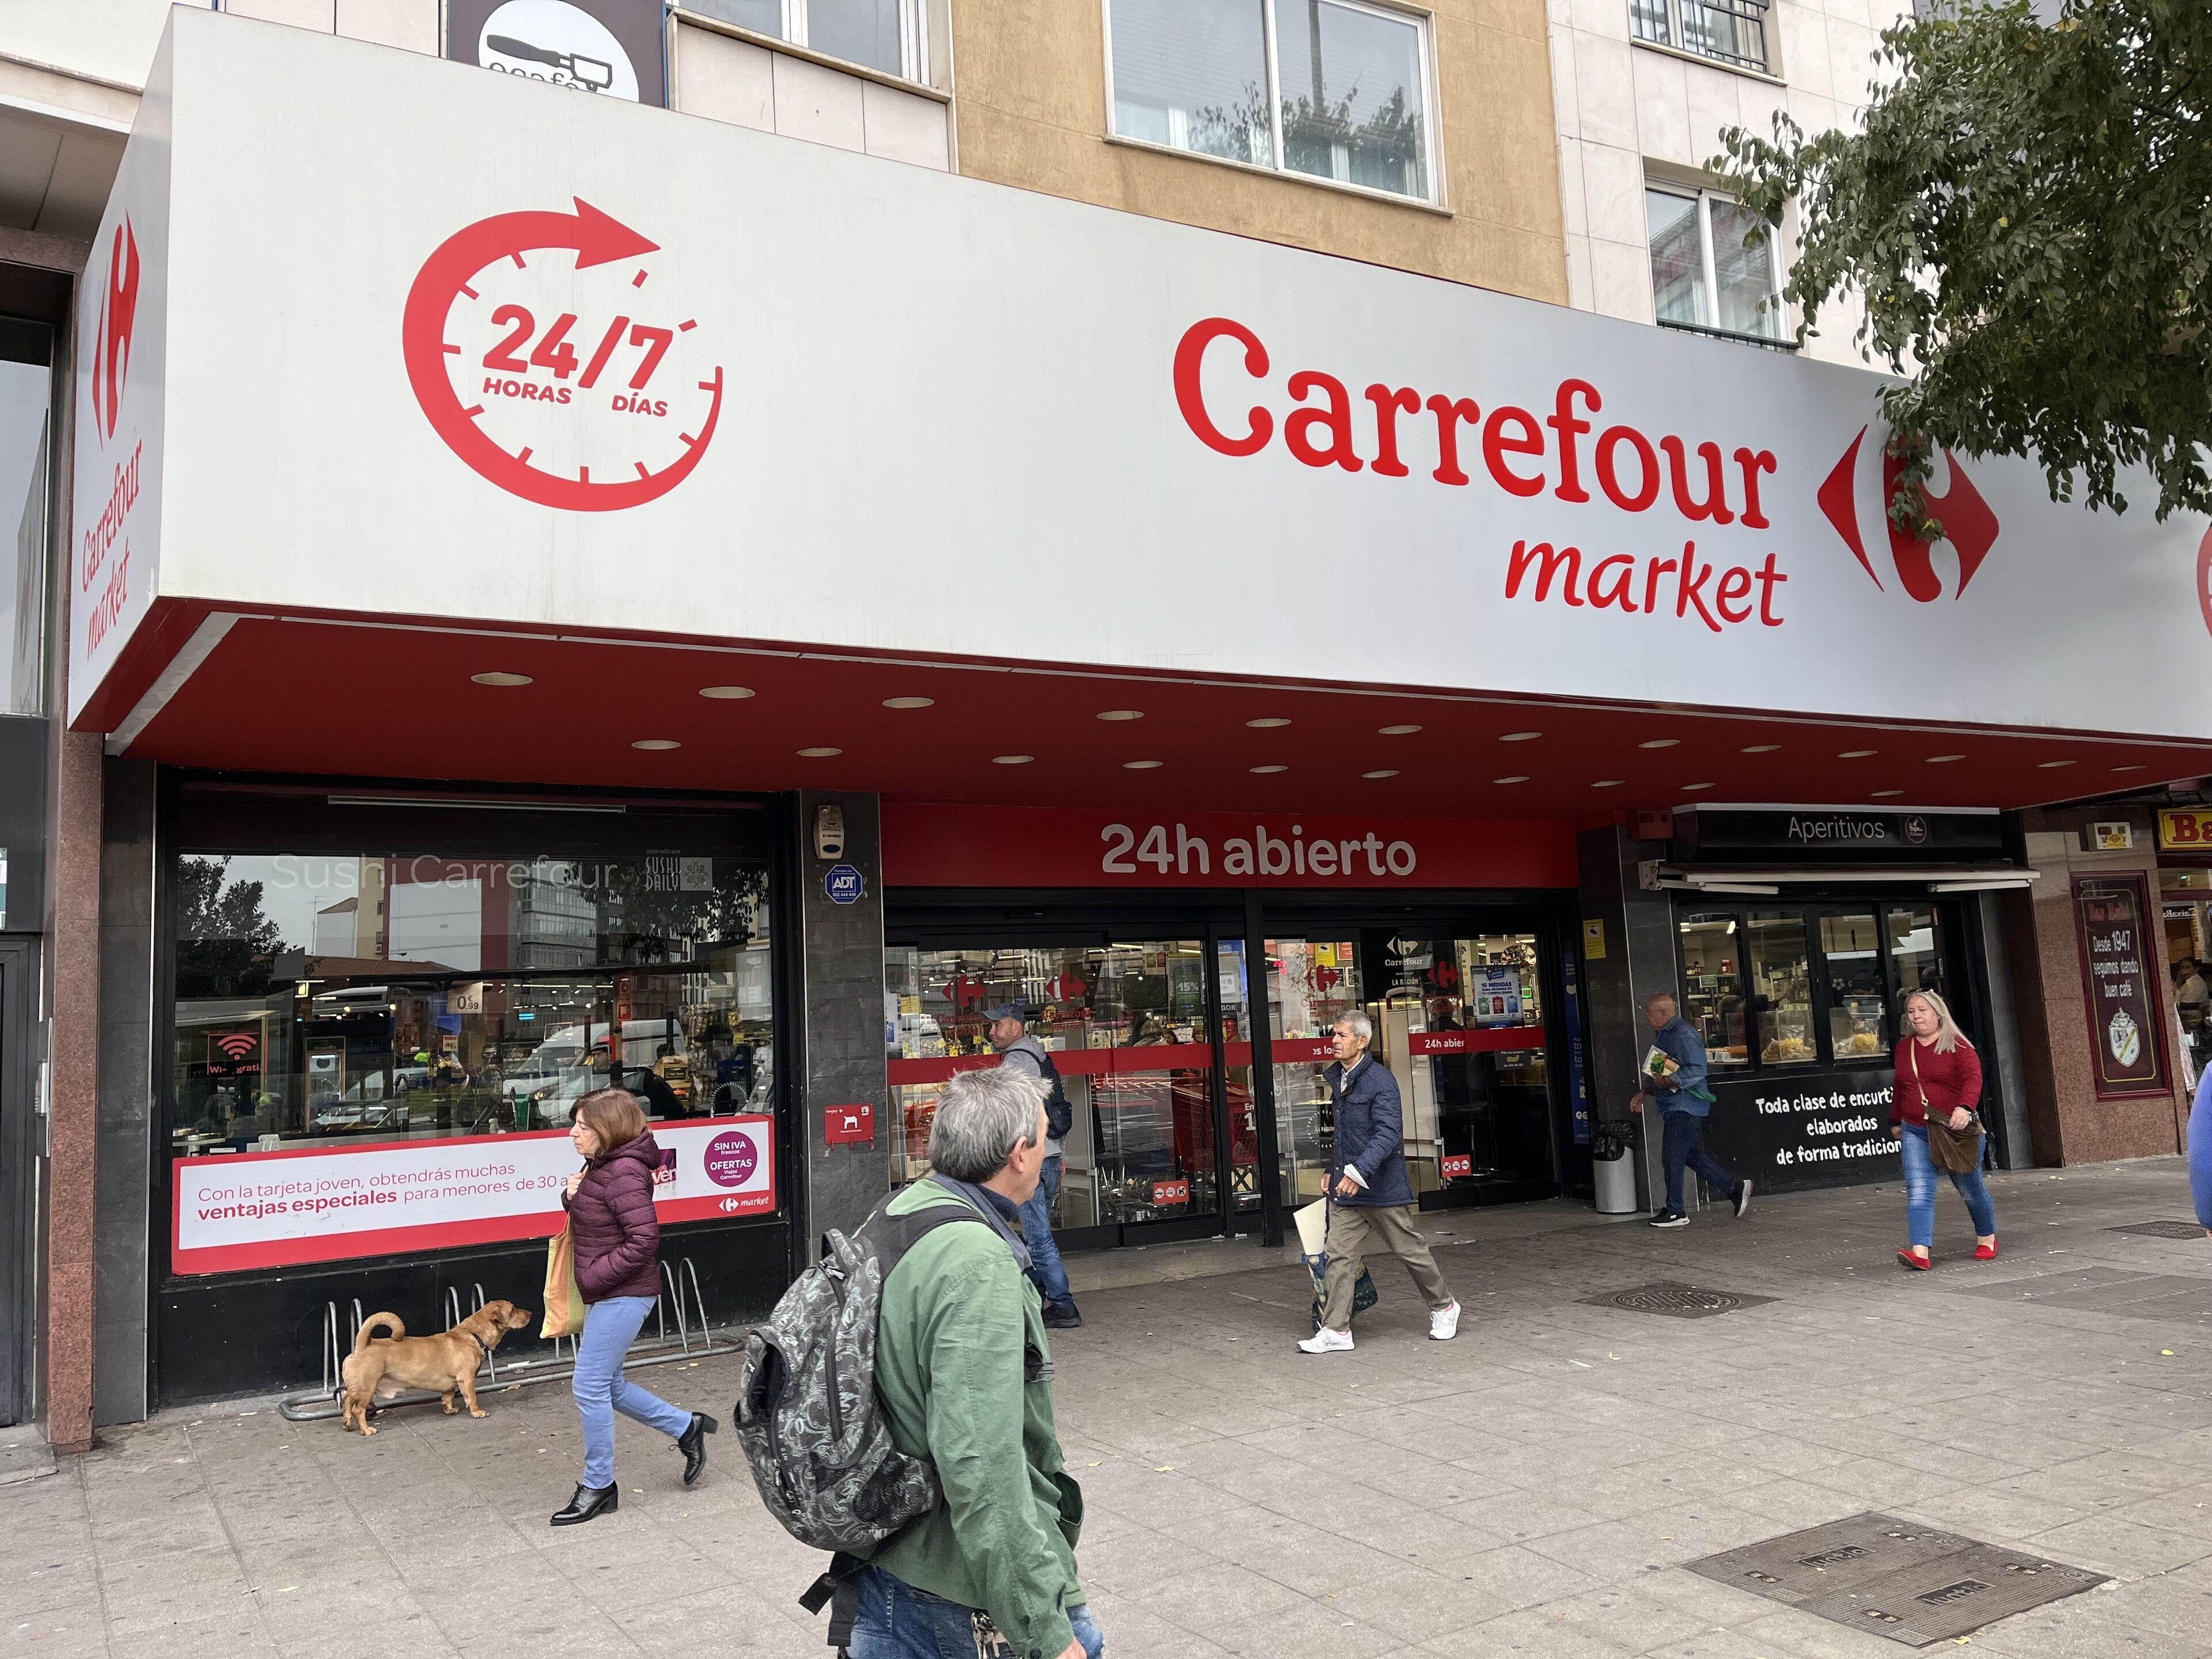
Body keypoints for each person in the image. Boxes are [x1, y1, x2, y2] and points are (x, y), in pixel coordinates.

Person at [854, 1067, 1103, 1659]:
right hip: (960, 1590)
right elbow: (982, 1464)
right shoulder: (977, 1262)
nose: (1047, 1151)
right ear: (1019, 1154)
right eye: (1044, 1137)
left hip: (885, 1565)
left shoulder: (898, 1213)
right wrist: (1044, 1629)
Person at [551, 1088, 715, 1525]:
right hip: (608, 1291)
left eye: (582, 1127)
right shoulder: (601, 1164)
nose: (573, 1134)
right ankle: (686, 1427)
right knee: (610, 1386)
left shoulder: (624, 1170)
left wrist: (593, 1276)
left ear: (608, 1129)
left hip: (624, 1294)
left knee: (589, 1386)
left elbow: (644, 1240)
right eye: (575, 1125)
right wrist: (571, 1196)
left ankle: (599, 1485)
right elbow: (596, 1218)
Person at [1298, 1012, 1460, 1353]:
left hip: (1380, 1188)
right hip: (1346, 1188)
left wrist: (1358, 1173)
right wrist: (1331, 1169)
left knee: (1411, 1251)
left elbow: (1388, 1134)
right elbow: (1345, 1135)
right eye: (1334, 1034)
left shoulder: (1380, 1081)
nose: (1334, 1041)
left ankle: (1444, 1307)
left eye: (1342, 1035)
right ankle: (1337, 1330)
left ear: (1362, 1042)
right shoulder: (1339, 1077)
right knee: (1339, 1257)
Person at [986, 1000, 1082, 1330]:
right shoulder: (1040, 1056)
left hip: (1030, 1160)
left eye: (998, 1025)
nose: (992, 1032)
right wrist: (1059, 1153)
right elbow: (1053, 1109)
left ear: (1016, 1027)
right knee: (1036, 1232)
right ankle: (1037, 1296)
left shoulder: (1015, 1060)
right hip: (1049, 1156)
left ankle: (1064, 1306)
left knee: (1038, 1237)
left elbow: (1011, 1115)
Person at [1891, 989, 1997, 1269]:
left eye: (1922, 1010)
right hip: (1915, 1129)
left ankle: (1987, 1237)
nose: (1916, 1016)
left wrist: (1965, 1107)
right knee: (1918, 1189)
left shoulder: (1957, 1044)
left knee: (1970, 1188)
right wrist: (1896, 1120)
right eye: (1911, 1012)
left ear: (1938, 1014)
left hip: (1954, 1131)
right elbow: (1901, 1086)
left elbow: (1973, 1079)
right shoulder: (1904, 1048)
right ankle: (1920, 1252)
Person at [1631, 991, 1751, 1228]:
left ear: (1663, 1013)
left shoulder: (1683, 1034)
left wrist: (1671, 1080)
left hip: (1685, 1106)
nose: (1646, 1017)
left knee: (1672, 1158)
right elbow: (1659, 1069)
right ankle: (1734, 1187)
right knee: (1689, 1155)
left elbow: (1698, 1069)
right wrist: (1646, 1091)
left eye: (1649, 1012)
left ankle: (1676, 1210)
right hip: (1676, 1104)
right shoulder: (1665, 1034)